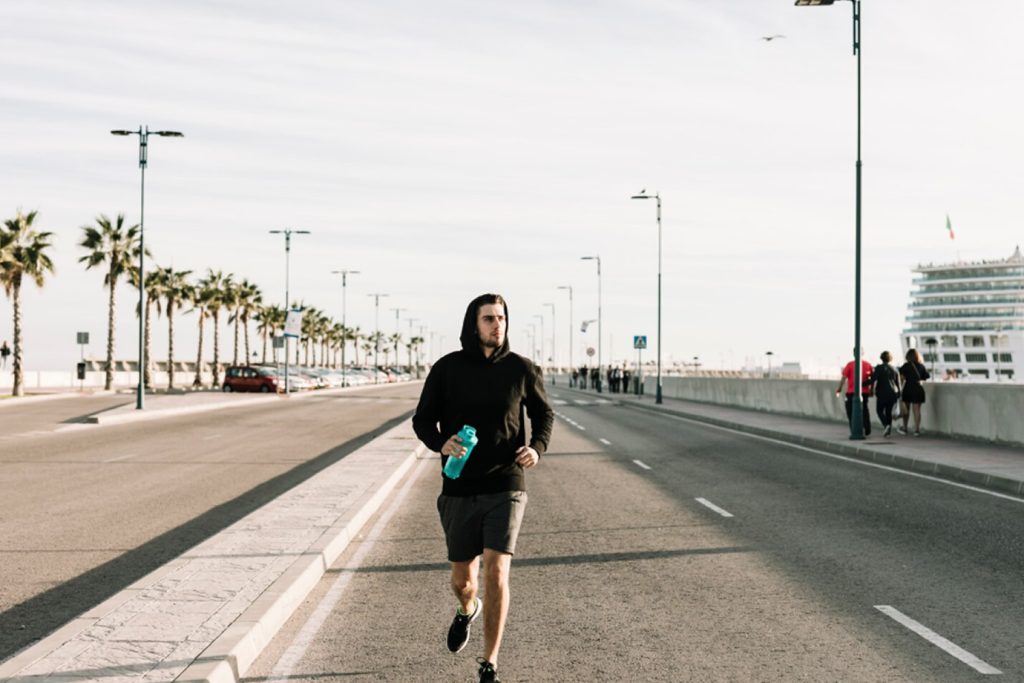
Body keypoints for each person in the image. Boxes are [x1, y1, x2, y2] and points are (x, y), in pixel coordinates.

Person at [413, 293, 554, 683]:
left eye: (502, 318)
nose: (497, 325)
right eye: (489, 318)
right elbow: (423, 420)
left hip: (507, 483)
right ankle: (466, 609)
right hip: (458, 485)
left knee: (496, 571)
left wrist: (536, 449)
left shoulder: (522, 369)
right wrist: (440, 443)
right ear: (473, 324)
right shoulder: (447, 369)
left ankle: (489, 662)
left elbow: (543, 414)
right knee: (463, 581)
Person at [836, 349, 873, 436]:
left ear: (854, 353)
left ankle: (854, 430)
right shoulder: (868, 365)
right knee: (864, 411)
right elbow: (871, 380)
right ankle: (867, 429)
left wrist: (839, 389)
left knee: (850, 412)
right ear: (863, 353)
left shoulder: (850, 365)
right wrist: (871, 390)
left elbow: (843, 379)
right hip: (865, 392)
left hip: (852, 392)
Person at [898, 348, 930, 436]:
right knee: (917, 410)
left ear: (908, 356)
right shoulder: (921, 366)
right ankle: (916, 430)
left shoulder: (906, 366)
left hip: (908, 388)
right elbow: (926, 376)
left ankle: (905, 428)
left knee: (906, 410)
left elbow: (900, 376)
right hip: (918, 388)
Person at [869, 351, 901, 437]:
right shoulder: (895, 369)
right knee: (888, 412)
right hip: (893, 393)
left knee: (879, 411)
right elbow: (898, 384)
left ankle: (886, 425)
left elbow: (872, 379)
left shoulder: (879, 368)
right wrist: (899, 395)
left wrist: (862, 383)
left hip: (882, 393)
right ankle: (888, 431)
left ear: (881, 358)